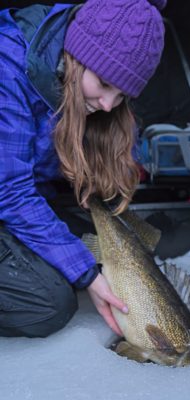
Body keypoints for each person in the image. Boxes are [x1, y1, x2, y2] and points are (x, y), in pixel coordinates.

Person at [0, 0, 166, 338]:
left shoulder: (82, 89)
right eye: (105, 83)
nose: (108, 105)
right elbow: (11, 192)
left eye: (122, 95)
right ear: (76, 55)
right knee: (49, 303)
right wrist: (85, 273)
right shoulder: (9, 65)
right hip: (9, 197)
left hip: (23, 201)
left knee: (107, 243)